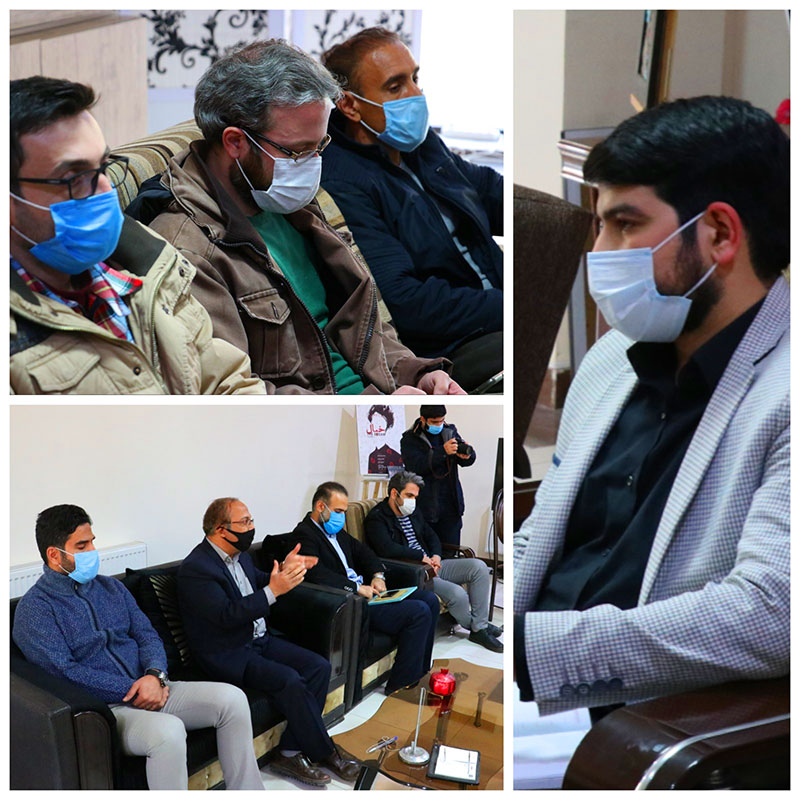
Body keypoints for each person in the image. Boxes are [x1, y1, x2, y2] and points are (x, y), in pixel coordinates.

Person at [514, 96, 789, 717]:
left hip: (648, 723)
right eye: (600, 224)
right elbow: (546, 529)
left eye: (625, 224)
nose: (600, 252)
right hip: (528, 679)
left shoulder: (785, 392)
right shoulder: (615, 358)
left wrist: (536, 655)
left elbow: (773, 612)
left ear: (719, 234)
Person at [130, 39, 464, 396]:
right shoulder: (186, 251)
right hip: (324, 422)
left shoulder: (284, 200)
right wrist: (368, 411)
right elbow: (236, 396)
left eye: (319, 146)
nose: (312, 165)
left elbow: (363, 331)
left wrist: (415, 374)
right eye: (299, 152)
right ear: (235, 142)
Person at [10, 76, 264, 395]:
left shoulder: (148, 260)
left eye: (103, 168)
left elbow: (227, 380)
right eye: (74, 178)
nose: (106, 191)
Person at [12, 505, 264, 790]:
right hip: (108, 710)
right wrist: (132, 689)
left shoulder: (112, 588)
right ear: (54, 555)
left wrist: (155, 675)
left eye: (92, 541)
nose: (93, 551)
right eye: (82, 546)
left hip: (153, 686)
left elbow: (147, 634)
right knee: (168, 732)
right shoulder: (35, 610)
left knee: (232, 700)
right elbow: (63, 672)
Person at [320, 27, 503, 391]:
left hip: (492, 309)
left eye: (415, 78)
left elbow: (484, 190)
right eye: (395, 86)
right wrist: (508, 305)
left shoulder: (419, 144)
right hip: (446, 346)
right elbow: (406, 303)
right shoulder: (342, 180)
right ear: (350, 105)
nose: (416, 94)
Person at [177, 498, 360, 787]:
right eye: (245, 522)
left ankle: (288, 751)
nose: (252, 527)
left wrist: (284, 572)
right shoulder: (197, 568)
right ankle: (326, 752)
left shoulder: (240, 556)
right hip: (227, 652)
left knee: (319, 667)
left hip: (257, 639)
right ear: (220, 529)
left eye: (251, 520)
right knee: (289, 680)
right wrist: (274, 590)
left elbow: (256, 581)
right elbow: (227, 615)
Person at [290, 482, 439, 694]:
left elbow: (364, 553)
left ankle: (420, 670)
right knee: (418, 612)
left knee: (429, 600)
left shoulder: (336, 532)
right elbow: (318, 575)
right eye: (338, 511)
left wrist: (378, 575)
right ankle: (400, 684)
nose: (342, 517)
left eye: (344, 511)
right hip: (352, 603)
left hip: (368, 592)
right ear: (321, 507)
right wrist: (356, 588)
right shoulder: (304, 535)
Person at [365, 470, 503, 652]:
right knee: (458, 594)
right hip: (414, 573)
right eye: (409, 496)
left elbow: (431, 536)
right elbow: (386, 549)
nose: (413, 501)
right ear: (394, 493)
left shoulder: (412, 512)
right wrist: (420, 558)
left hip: (432, 564)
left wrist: (436, 556)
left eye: (415, 497)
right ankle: (479, 628)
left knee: (479, 567)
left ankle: (480, 626)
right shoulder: (377, 518)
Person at [400, 404, 476, 549]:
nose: (439, 425)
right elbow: (415, 467)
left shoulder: (449, 431)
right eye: (435, 422)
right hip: (426, 507)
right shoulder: (410, 438)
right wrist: (442, 452)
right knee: (429, 552)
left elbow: (467, 460)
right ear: (423, 419)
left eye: (442, 420)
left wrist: (468, 456)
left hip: (451, 506)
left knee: (451, 551)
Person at [365, 404, 403, 474]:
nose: (376, 427)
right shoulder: (372, 456)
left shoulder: (396, 456)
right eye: (374, 423)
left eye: (380, 423)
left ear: (387, 426)